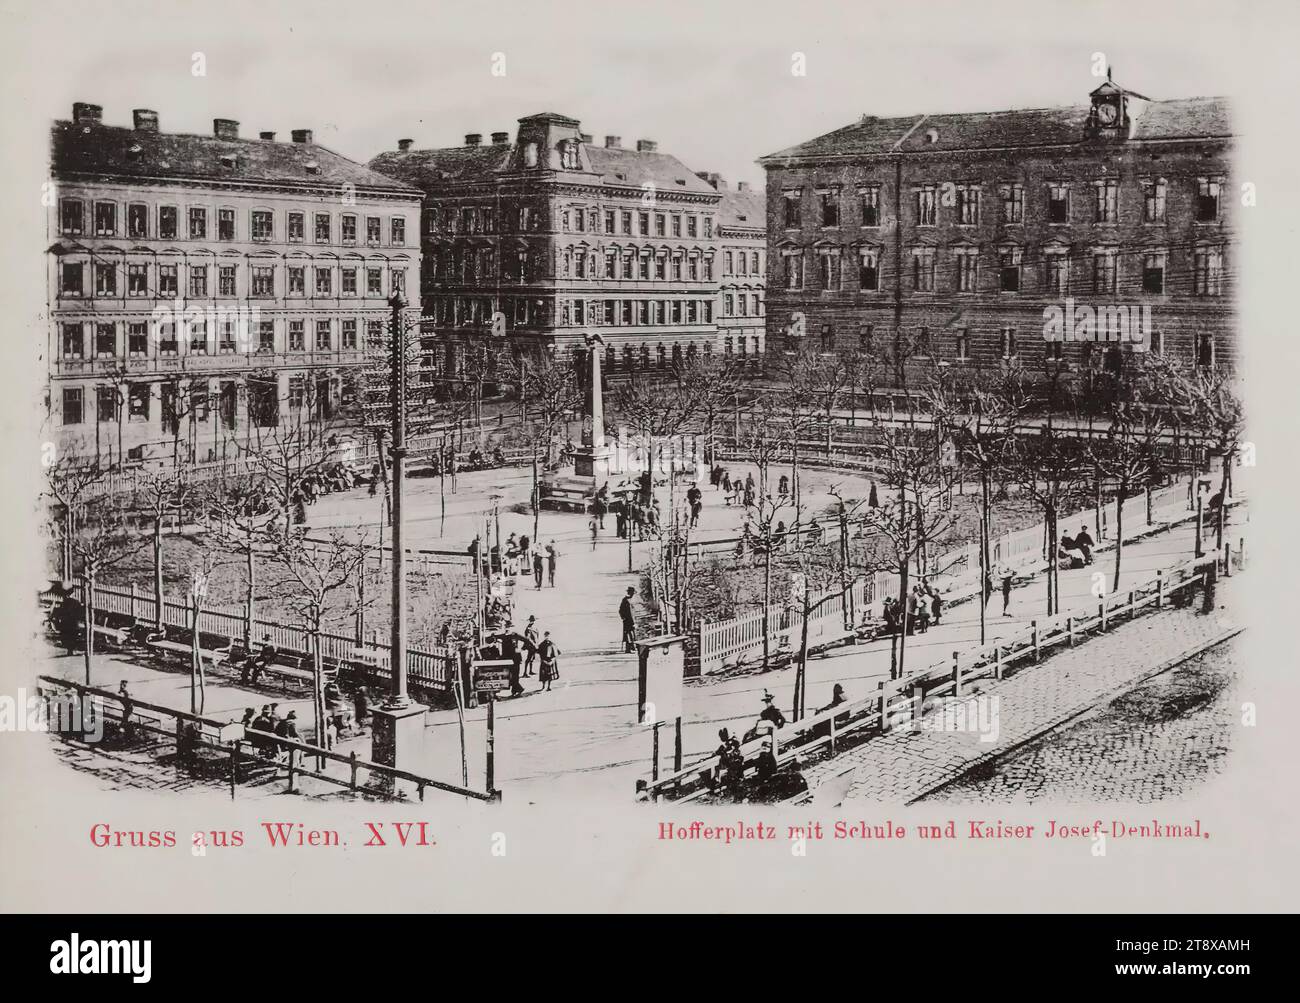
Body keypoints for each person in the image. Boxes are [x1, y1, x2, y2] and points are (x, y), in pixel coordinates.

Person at [619, 587, 637, 653]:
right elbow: (629, 612)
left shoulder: (625, 599)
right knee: (630, 634)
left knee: (628, 634)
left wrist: (623, 617)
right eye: (632, 593)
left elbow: (620, 610)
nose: (633, 594)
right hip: (629, 620)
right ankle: (631, 648)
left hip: (627, 620)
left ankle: (628, 648)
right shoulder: (628, 601)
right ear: (630, 593)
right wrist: (633, 621)